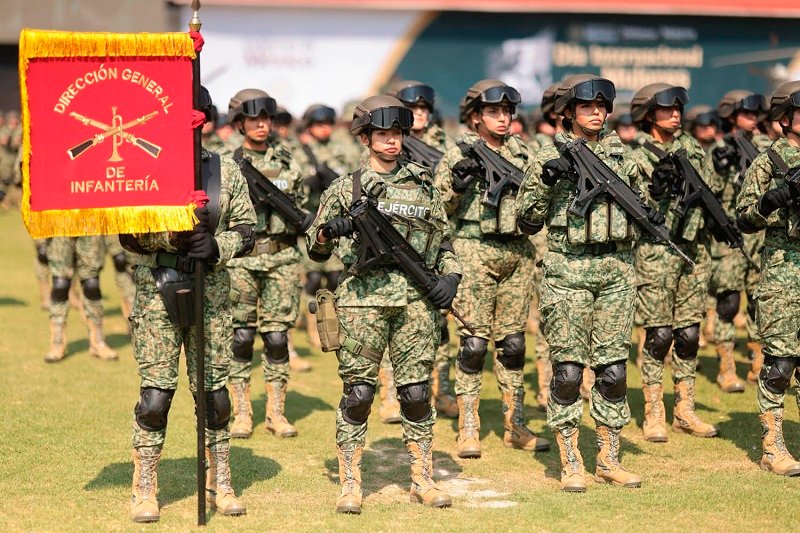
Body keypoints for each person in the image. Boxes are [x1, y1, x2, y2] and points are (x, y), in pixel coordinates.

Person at [307, 95, 459, 513]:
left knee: (415, 393)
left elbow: (443, 243)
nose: (392, 141)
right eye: (383, 134)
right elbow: (315, 250)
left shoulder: (423, 184)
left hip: (415, 303)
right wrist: (327, 232)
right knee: (358, 394)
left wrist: (451, 277)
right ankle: (350, 483)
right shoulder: (346, 188)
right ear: (365, 138)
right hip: (361, 303)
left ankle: (422, 479)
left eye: (397, 134)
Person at [120, 88, 257, 522]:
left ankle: (221, 481)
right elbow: (126, 234)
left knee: (215, 396)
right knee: (156, 398)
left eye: (195, 116)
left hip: (211, 290)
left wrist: (216, 246)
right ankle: (145, 487)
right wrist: (172, 237)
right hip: (157, 291)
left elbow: (248, 231)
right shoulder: (145, 165)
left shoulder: (226, 169)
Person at [518, 74, 646, 492]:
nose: (596, 113)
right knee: (569, 372)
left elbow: (643, 214)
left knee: (612, 371)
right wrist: (546, 180)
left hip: (616, 271)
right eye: (587, 106)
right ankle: (571, 460)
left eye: (601, 107)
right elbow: (526, 219)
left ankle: (608, 459)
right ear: (569, 112)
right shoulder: (546, 157)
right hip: (567, 272)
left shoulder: (626, 159)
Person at [434, 79, 549, 459]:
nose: (502, 119)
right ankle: (468, 427)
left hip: (517, 252)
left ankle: (515, 425)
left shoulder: (525, 153)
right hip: (473, 251)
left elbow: (540, 203)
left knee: (513, 345)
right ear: (475, 117)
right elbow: (437, 209)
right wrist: (456, 185)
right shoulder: (458, 153)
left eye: (507, 112)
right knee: (473, 344)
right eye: (493, 112)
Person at [629, 83, 721, 442]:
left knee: (688, 334)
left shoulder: (693, 149)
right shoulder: (635, 154)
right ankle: (654, 412)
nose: (676, 115)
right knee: (659, 335)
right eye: (667, 109)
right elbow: (633, 205)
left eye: (678, 109)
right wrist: (655, 191)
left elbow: (711, 191)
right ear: (648, 114)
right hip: (656, 253)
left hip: (694, 251)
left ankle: (685, 410)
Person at [223, 89, 308, 439]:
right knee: (241, 336)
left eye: (266, 118)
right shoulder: (227, 163)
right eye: (253, 119)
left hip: (282, 258)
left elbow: (301, 206)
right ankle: (242, 412)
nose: (262, 124)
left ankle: (276, 412)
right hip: (242, 260)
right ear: (239, 123)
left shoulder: (289, 161)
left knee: (276, 337)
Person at [737, 80, 800, 477]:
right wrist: (770, 201)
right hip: (783, 266)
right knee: (780, 362)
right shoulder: (768, 162)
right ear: (784, 119)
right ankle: (772, 447)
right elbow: (743, 217)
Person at [388, 80, 459, 419]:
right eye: (412, 108)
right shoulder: (388, 142)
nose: (419, 113)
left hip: (435, 240)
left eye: (423, 108)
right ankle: (390, 394)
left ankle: (441, 390)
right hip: (397, 242)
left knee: (440, 325)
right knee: (393, 320)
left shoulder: (446, 145)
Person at [707, 90, 771, 391]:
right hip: (729, 237)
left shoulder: (767, 146)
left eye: (755, 113)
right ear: (730, 115)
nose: (753, 118)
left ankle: (758, 363)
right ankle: (726, 367)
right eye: (746, 112)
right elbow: (709, 192)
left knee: (759, 301)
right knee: (728, 302)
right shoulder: (718, 149)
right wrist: (721, 170)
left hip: (760, 234)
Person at [43, 236, 118, 362]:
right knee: (60, 284)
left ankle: (98, 341)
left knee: (91, 284)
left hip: (88, 228)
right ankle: (57, 342)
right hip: (60, 229)